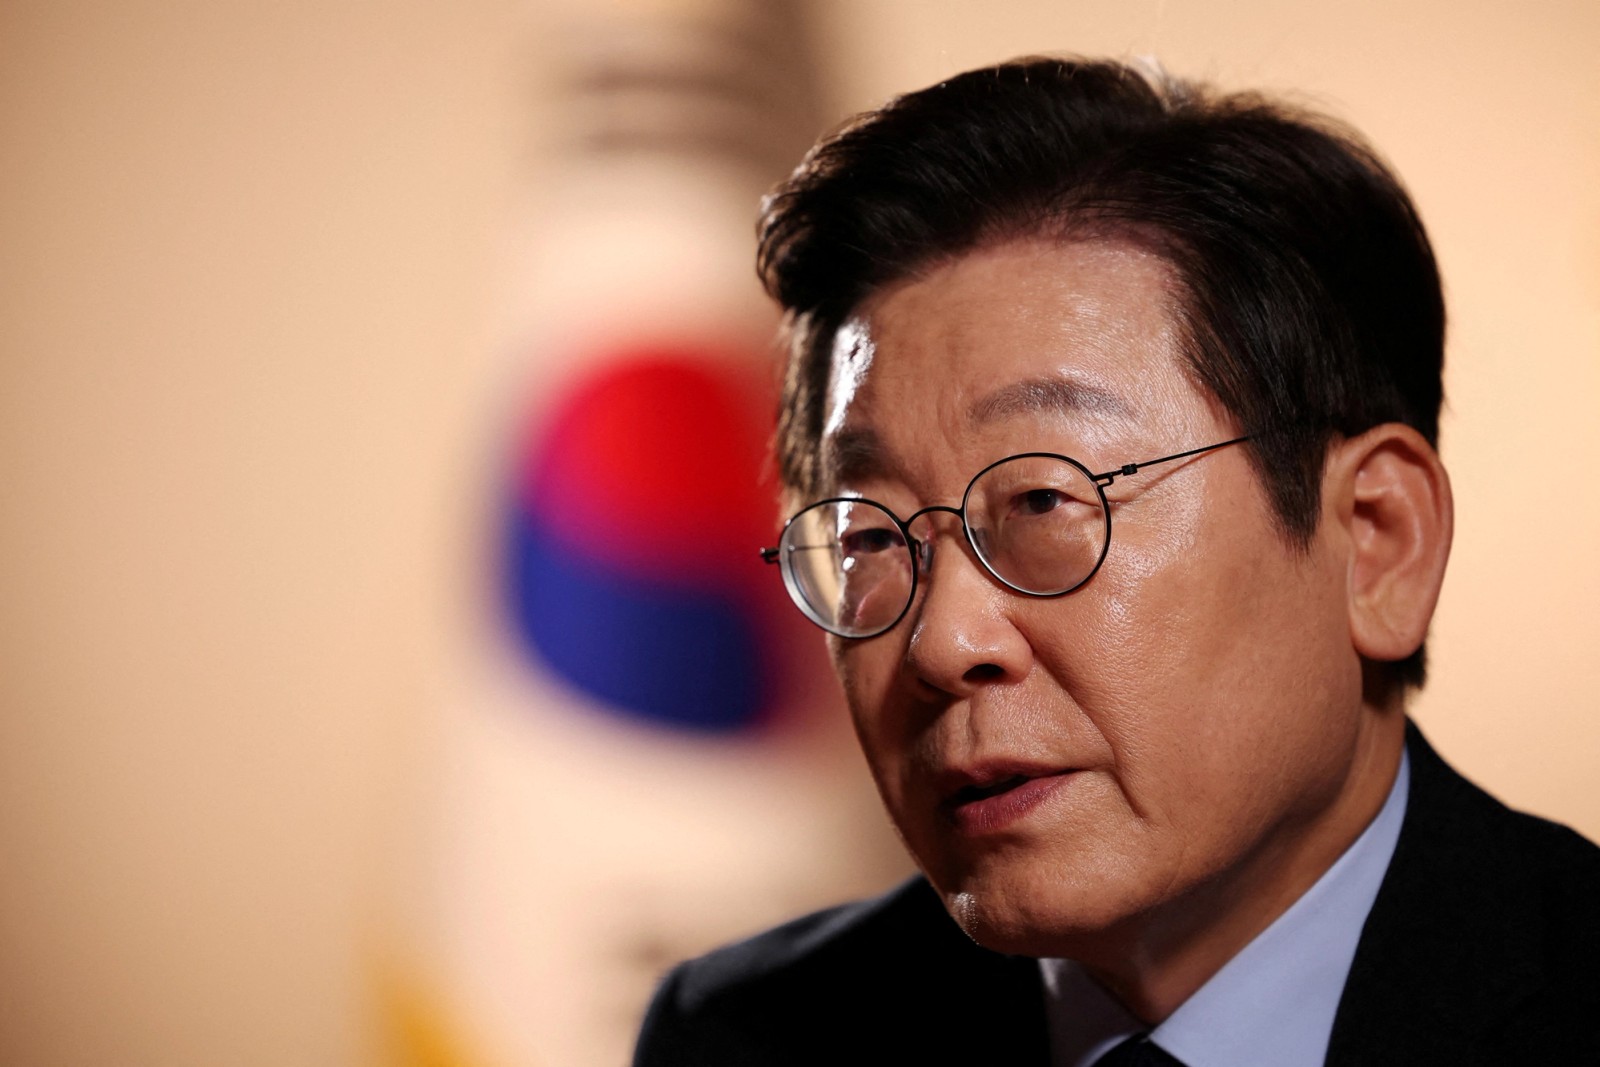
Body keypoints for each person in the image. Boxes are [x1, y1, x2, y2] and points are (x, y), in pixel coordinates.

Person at [632, 56, 1600, 1066]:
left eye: (1042, 501)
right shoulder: (746, 1036)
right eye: (871, 536)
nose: (943, 642)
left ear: (1376, 540)